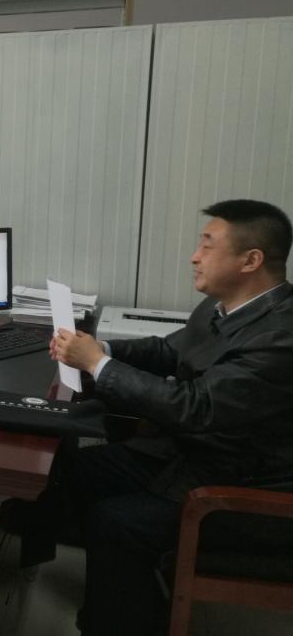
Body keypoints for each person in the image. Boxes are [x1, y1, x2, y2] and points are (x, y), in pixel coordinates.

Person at [47, 199, 293, 636]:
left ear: (250, 261)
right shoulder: (224, 306)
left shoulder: (279, 336)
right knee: (70, 470)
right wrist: (102, 350)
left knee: (115, 521)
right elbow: (167, 351)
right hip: (194, 458)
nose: (195, 256)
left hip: (241, 489)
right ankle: (119, 591)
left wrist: (98, 366)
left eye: (208, 245)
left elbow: (194, 406)